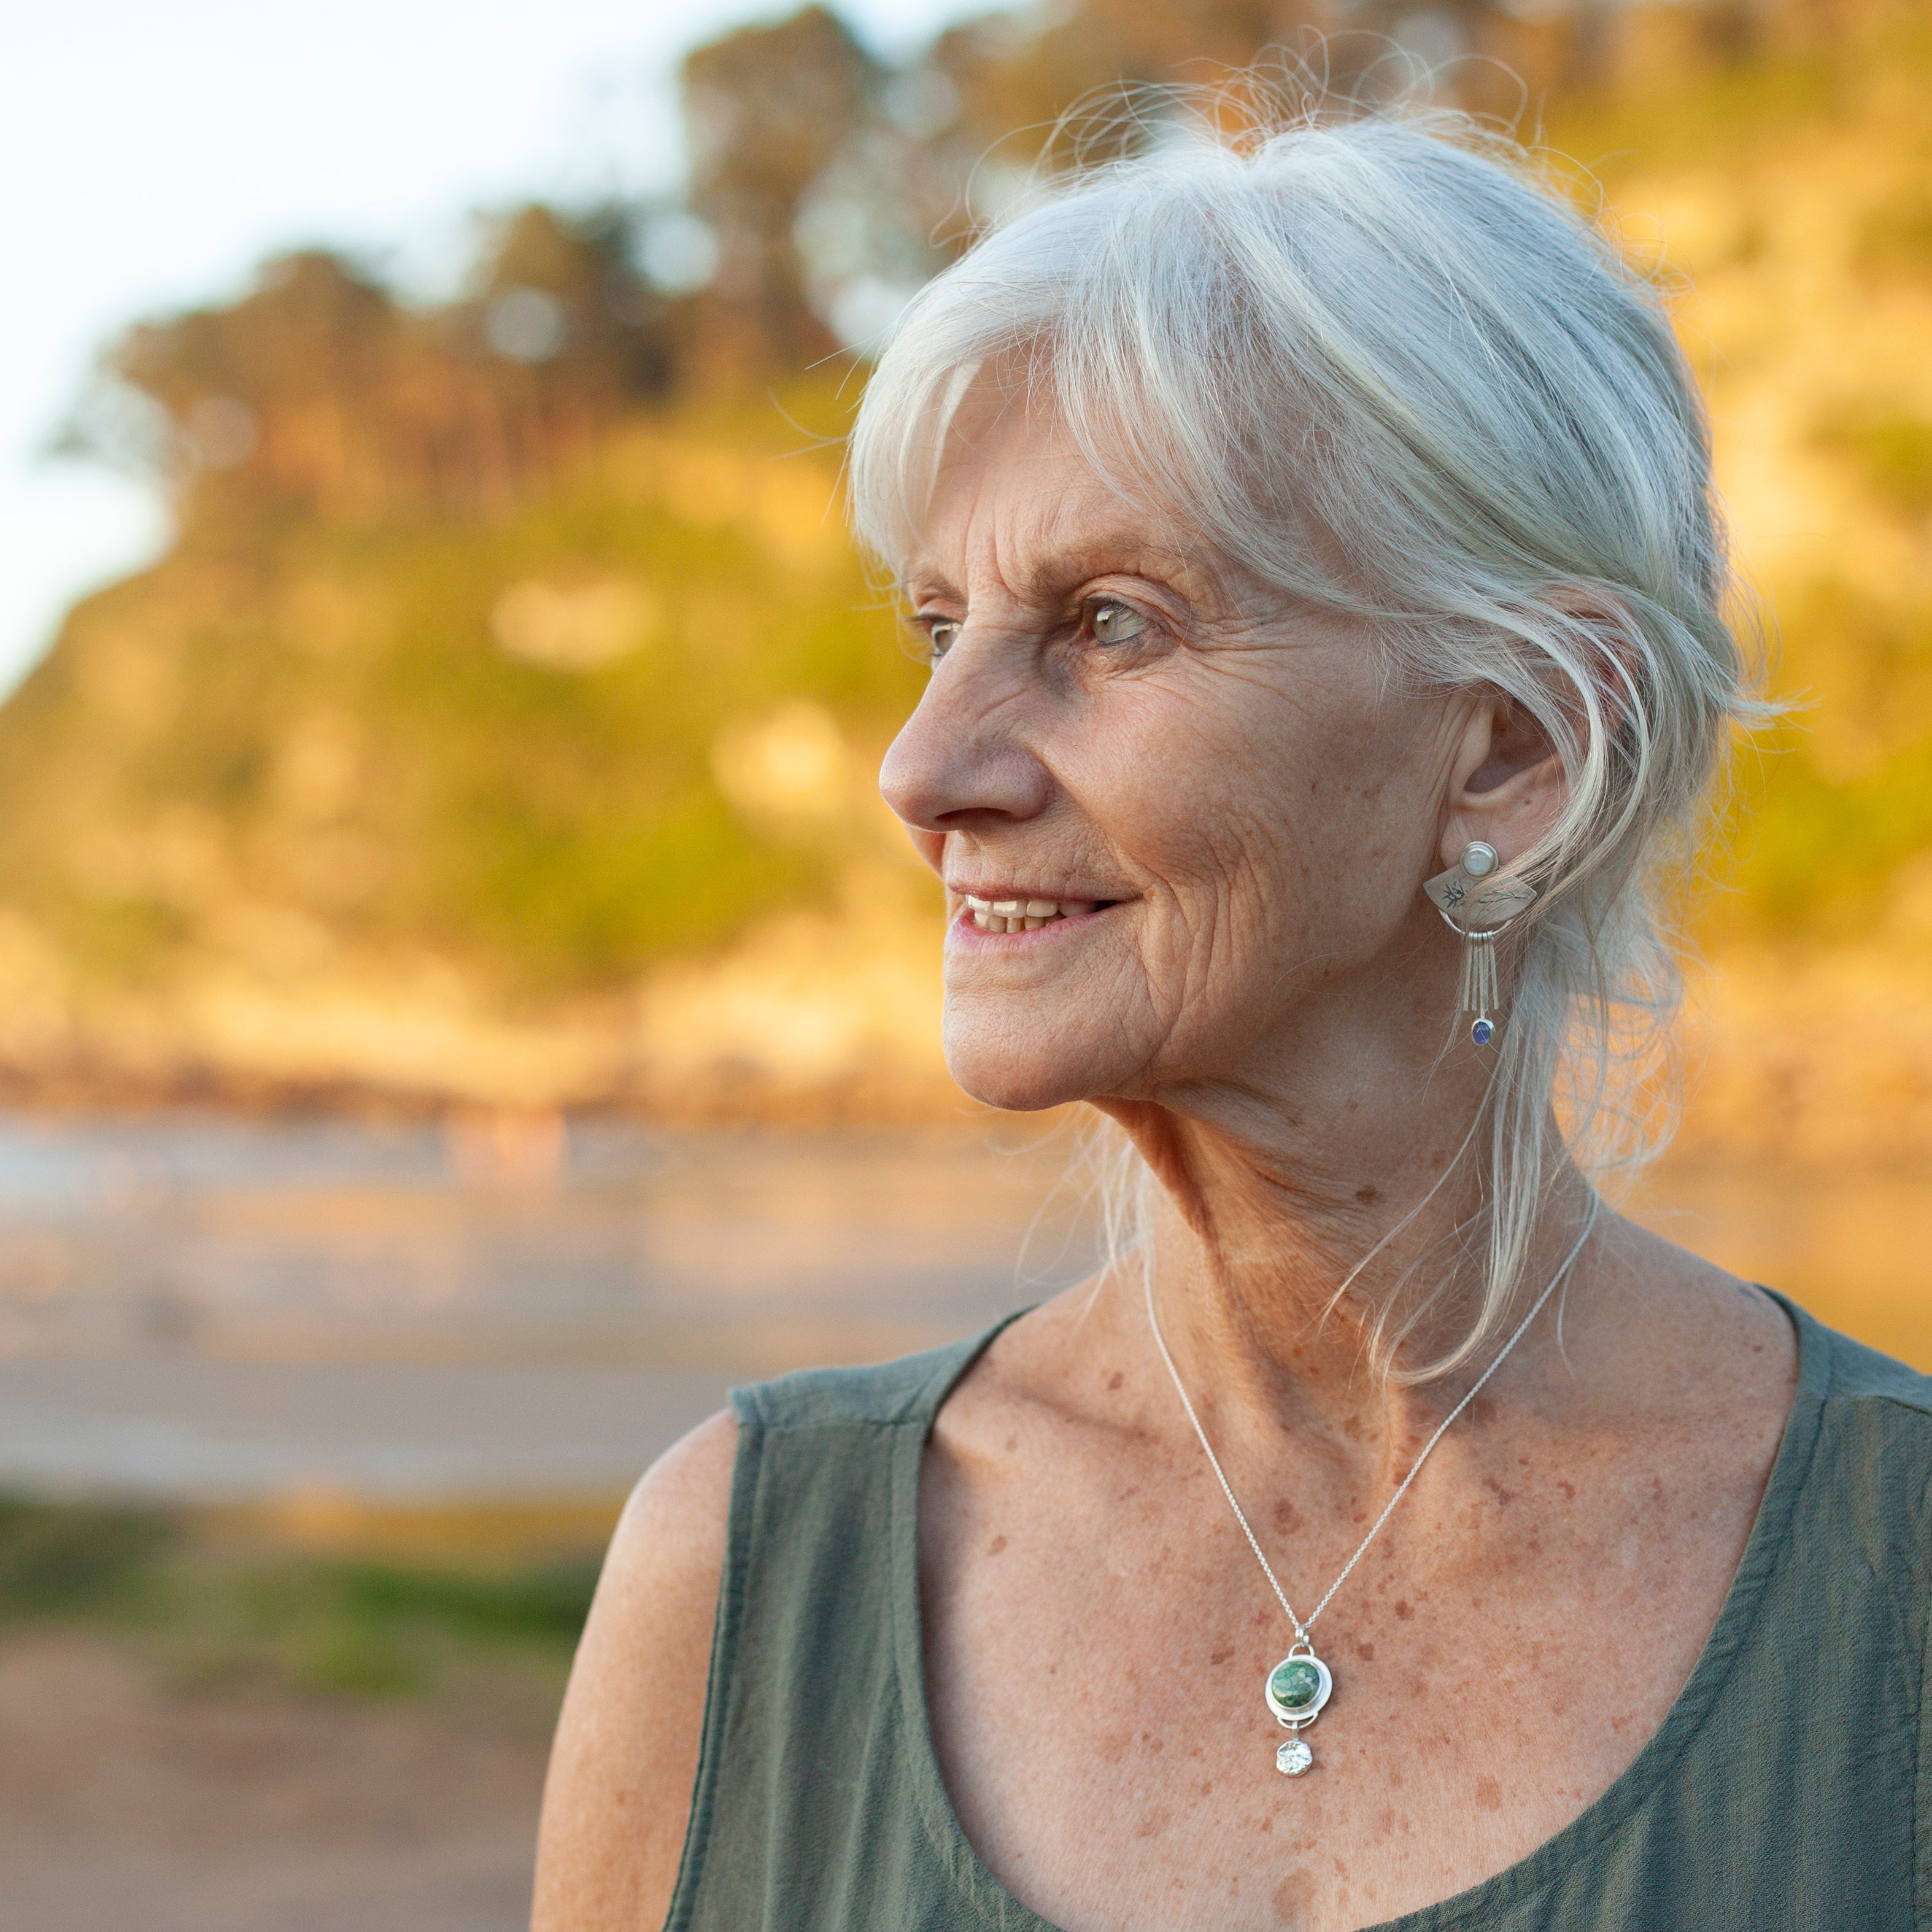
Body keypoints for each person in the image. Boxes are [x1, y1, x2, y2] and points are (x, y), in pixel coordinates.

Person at [532, 99, 1930, 1932]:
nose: (922, 765)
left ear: (1513, 745)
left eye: (1107, 624)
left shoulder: (1891, 1584)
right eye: (934, 623)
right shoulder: (736, 1574)